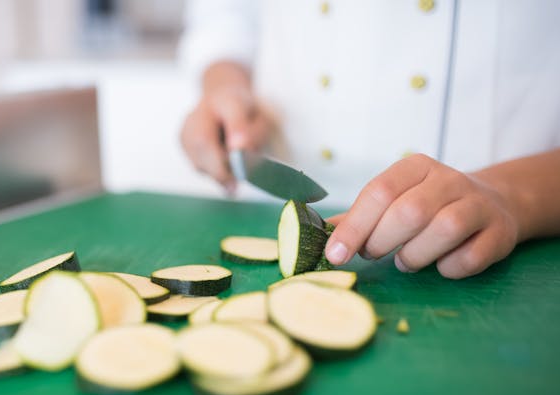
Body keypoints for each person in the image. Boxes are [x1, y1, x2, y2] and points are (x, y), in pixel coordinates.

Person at [178, 0, 560, 279]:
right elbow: (227, 17)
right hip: (269, 201)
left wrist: (512, 196)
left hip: (508, 239)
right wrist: (224, 86)